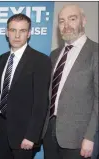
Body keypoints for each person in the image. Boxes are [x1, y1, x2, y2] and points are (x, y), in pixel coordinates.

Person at [42, 4, 98, 159]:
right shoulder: (54, 55)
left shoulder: (95, 53)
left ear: (83, 21)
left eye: (72, 19)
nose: (66, 25)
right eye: (61, 21)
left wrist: (90, 137)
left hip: (79, 139)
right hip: (49, 134)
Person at [0, 13, 51, 159]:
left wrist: (32, 136)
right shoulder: (3, 58)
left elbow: (41, 102)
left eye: (22, 31)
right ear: (7, 32)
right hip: (1, 131)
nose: (17, 35)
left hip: (24, 135)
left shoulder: (40, 60)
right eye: (13, 30)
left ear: (29, 33)